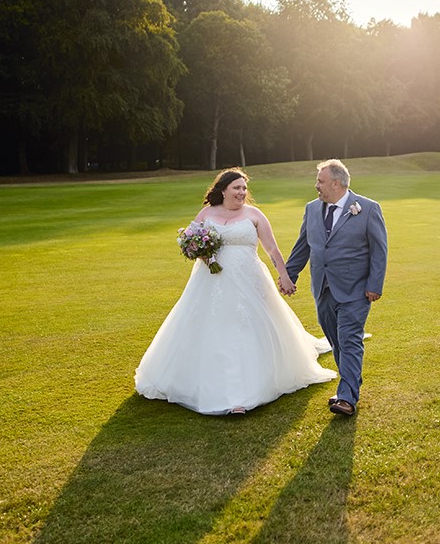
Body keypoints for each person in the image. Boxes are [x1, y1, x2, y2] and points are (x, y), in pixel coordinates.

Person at [135, 169, 336, 416]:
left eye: (244, 188)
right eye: (236, 188)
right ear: (223, 190)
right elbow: (190, 241)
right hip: (210, 282)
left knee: (245, 329)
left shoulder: (254, 215)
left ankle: (242, 394)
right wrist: (198, 251)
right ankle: (215, 387)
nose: (242, 193)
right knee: (213, 328)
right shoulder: (207, 213)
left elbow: (271, 249)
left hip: (248, 281)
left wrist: (284, 276)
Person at [283, 159, 387, 417]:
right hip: (323, 288)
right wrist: (289, 275)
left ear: (336, 183)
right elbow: (303, 246)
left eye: (320, 181)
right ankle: (350, 384)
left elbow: (379, 251)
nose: (316, 185)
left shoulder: (367, 208)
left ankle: (347, 397)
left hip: (356, 290)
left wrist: (374, 284)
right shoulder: (311, 209)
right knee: (335, 341)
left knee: (349, 339)